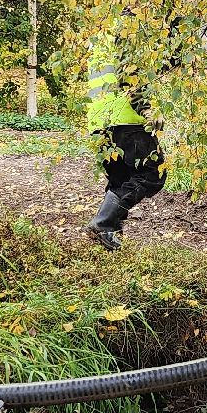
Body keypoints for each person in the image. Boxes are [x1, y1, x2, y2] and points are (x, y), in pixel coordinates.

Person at [84, 16, 165, 250]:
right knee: (152, 173)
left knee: (120, 180)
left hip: (99, 123)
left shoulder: (100, 33)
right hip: (126, 121)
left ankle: (108, 236)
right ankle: (103, 223)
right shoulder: (128, 26)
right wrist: (147, 108)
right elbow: (129, 72)